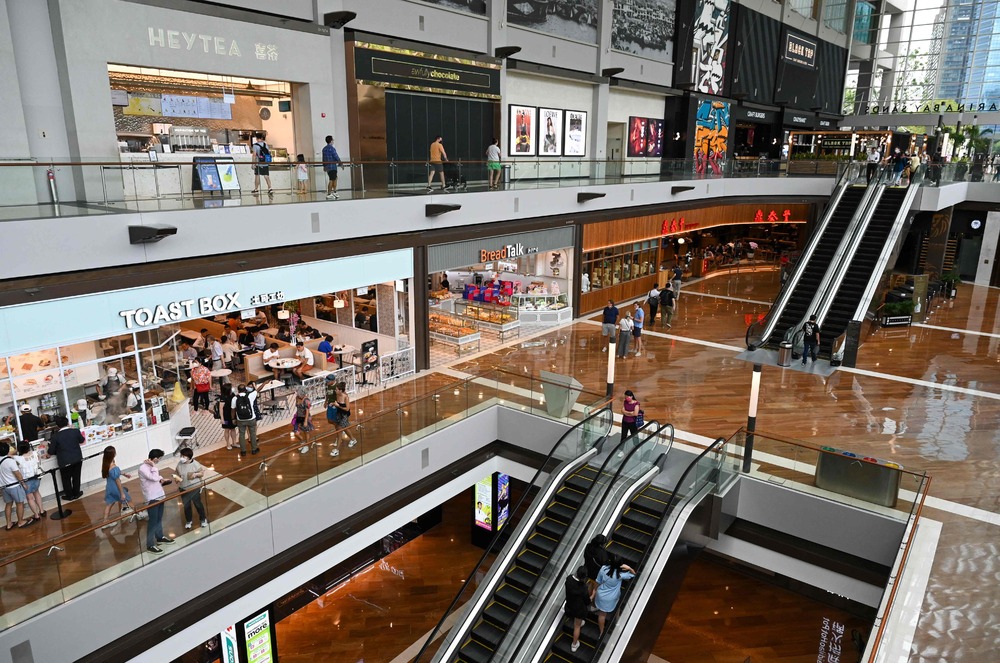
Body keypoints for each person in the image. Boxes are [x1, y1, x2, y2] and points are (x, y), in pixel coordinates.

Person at [138, 449, 174, 554]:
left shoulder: (152, 467)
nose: (159, 461)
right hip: (152, 498)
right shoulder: (143, 468)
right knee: (153, 522)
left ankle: (159, 536)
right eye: (159, 458)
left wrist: (162, 479)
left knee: (159, 518)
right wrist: (154, 466)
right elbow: (153, 477)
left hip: (160, 496)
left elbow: (156, 477)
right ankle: (150, 545)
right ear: (155, 458)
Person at [595, 556, 636, 636]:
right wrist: (629, 568)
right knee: (617, 607)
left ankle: (601, 632)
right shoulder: (620, 575)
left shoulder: (603, 569)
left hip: (601, 595)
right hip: (613, 597)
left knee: (602, 614)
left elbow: (598, 581)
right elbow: (633, 574)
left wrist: (595, 591)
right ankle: (617, 621)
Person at [47, 415, 84, 500]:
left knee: (66, 479)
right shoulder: (75, 431)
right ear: (67, 423)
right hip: (77, 458)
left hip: (64, 461)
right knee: (76, 476)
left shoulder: (55, 436)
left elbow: (51, 451)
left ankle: (69, 495)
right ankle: (77, 493)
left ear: (57, 426)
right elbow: (82, 440)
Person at [174, 448, 208, 529]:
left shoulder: (195, 464)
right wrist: (177, 478)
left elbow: (201, 474)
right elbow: (177, 473)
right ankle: (189, 521)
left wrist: (195, 475)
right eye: (181, 456)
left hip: (194, 488)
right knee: (186, 506)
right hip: (183, 488)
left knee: (198, 504)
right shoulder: (180, 464)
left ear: (189, 457)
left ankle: (203, 519)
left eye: (184, 456)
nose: (181, 458)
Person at [100, 445, 134, 528]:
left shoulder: (106, 465)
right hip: (116, 488)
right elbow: (117, 481)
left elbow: (113, 474)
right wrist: (122, 493)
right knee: (129, 500)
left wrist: (123, 474)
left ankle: (105, 522)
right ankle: (138, 513)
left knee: (109, 504)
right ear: (113, 454)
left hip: (109, 488)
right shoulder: (114, 467)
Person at [0, 441, 32, 529]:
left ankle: (9, 524)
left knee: (8, 504)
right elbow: (17, 474)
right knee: (20, 503)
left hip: (4, 488)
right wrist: (23, 484)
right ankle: (21, 522)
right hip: (14, 486)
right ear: (7, 450)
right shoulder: (10, 461)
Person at [565, 566, 594, 653]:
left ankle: (574, 644)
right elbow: (587, 601)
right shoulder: (583, 588)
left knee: (576, 622)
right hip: (579, 610)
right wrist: (592, 596)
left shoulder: (569, 579)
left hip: (569, 605)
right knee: (577, 626)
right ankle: (574, 644)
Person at [325, 379, 354, 457]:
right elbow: (336, 403)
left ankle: (337, 449)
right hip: (338, 414)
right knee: (344, 429)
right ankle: (353, 439)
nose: (335, 390)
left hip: (343, 415)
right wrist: (332, 404)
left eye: (337, 389)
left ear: (341, 390)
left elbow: (347, 409)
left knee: (339, 431)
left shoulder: (346, 397)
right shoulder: (337, 395)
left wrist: (338, 406)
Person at [16, 441, 44, 520]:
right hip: (36, 477)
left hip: (26, 481)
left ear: (19, 449)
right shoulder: (35, 453)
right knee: (37, 493)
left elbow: (9, 455)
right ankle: (42, 511)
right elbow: (39, 461)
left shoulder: (19, 458)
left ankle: (36, 515)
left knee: (30, 498)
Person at [232, 385, 260, 455]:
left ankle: (243, 451)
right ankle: (254, 449)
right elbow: (258, 390)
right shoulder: (250, 395)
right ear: (245, 390)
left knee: (241, 434)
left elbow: (233, 410)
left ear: (238, 391)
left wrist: (233, 419)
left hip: (240, 419)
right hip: (251, 418)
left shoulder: (235, 398)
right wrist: (265, 383)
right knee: (253, 434)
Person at [293, 387, 315, 454]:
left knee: (306, 432)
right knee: (296, 432)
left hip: (305, 417)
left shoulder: (306, 400)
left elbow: (307, 411)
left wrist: (305, 421)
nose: (297, 394)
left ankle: (306, 446)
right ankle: (303, 442)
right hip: (299, 417)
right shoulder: (297, 398)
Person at [322, 135, 342, 199]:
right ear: (331, 141)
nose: (333, 141)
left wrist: (324, 166)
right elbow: (335, 156)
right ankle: (331, 192)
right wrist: (340, 162)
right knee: (333, 179)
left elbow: (324, 158)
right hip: (332, 166)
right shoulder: (332, 148)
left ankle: (333, 192)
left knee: (333, 178)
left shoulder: (324, 149)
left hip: (328, 167)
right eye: (333, 140)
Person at [219, 383, 237, 451]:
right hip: (226, 416)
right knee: (227, 429)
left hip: (232, 414)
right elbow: (221, 409)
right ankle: (228, 443)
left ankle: (234, 443)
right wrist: (222, 419)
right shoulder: (223, 397)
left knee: (233, 428)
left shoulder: (232, 394)